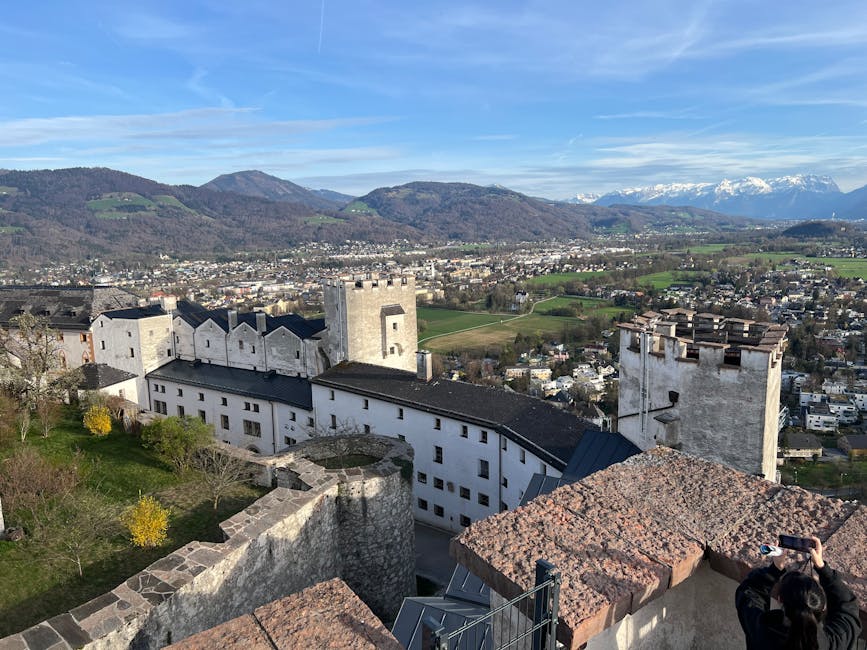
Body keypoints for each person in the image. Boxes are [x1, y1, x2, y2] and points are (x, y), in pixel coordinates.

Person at [736, 535, 861, 649]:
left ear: (780, 600)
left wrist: (775, 568)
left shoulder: (760, 631)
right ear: (822, 608)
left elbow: (750, 591)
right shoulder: (835, 643)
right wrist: (822, 567)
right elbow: (848, 607)